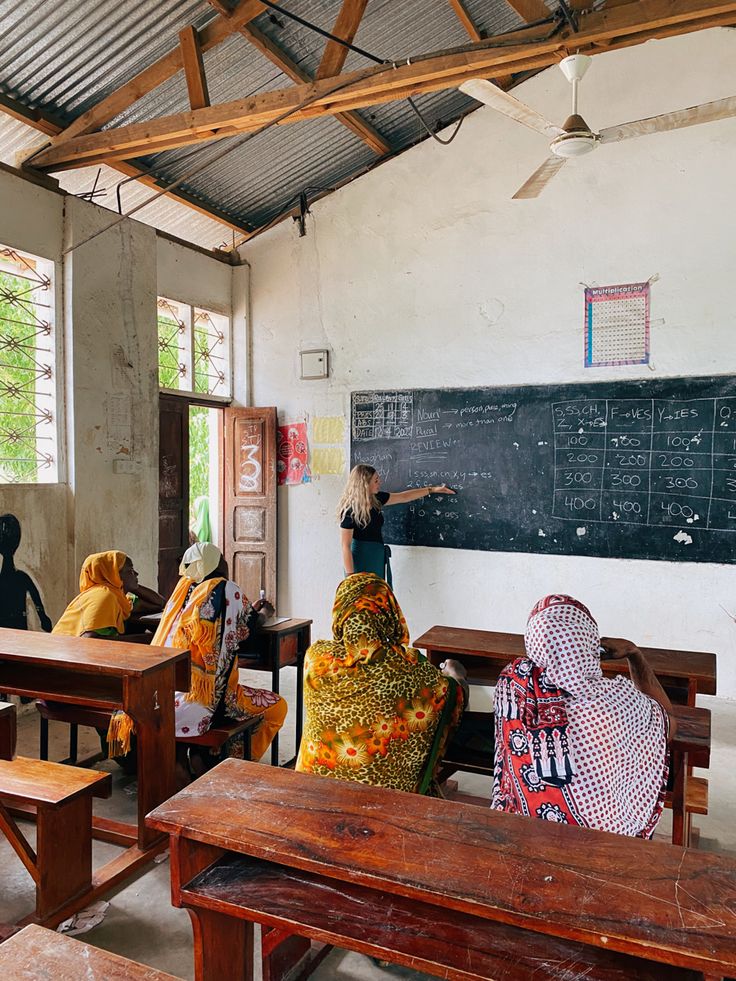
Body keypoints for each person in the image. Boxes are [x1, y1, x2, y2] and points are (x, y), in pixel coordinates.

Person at [492, 593, 674, 838]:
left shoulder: (514, 684)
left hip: (524, 825)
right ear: (590, 643)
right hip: (599, 839)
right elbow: (668, 724)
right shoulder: (618, 702)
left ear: (533, 642)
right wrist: (633, 653)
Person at [296, 573, 466, 794]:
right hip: (387, 800)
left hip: (312, 792)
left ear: (340, 610)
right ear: (388, 612)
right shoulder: (409, 666)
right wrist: (456, 677)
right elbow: (450, 696)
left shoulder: (316, 658)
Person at [152, 542, 286, 765]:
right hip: (205, 703)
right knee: (277, 706)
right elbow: (249, 632)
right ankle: (225, 760)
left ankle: (200, 753)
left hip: (163, 697)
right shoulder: (225, 588)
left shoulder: (182, 591)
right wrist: (263, 611)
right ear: (214, 563)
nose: (225, 561)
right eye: (222, 558)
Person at [52, 550, 165, 755]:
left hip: (70, 667)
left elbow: (159, 603)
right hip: (65, 676)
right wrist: (145, 642)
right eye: (130, 571)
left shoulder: (115, 595)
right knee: (140, 692)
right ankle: (124, 751)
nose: (136, 573)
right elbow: (90, 642)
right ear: (114, 575)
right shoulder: (103, 596)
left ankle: (123, 750)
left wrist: (135, 586)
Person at [338, 464, 455, 584]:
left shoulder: (377, 499)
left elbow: (404, 496)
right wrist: (350, 577)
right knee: (362, 600)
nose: (380, 482)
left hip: (377, 555)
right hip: (359, 559)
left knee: (378, 599)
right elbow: (345, 546)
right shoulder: (349, 510)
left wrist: (433, 490)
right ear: (365, 483)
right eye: (376, 480)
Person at [0, 513, 52, 632]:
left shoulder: (21, 578)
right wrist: (43, 617)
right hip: (17, 628)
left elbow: (37, 600)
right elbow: (37, 601)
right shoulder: (22, 578)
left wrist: (43, 617)